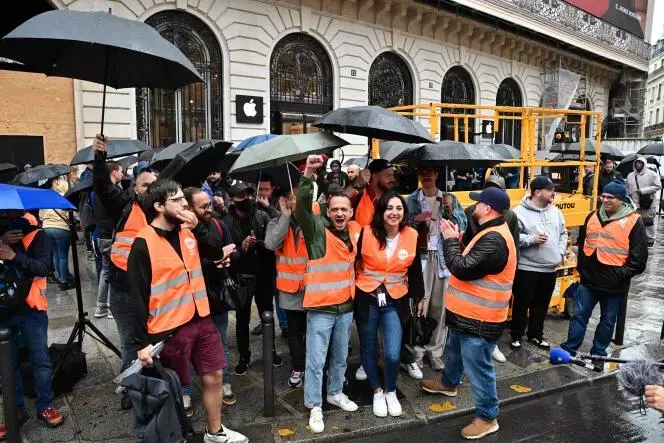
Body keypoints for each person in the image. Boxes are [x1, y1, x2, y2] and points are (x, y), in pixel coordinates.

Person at [128, 179, 247, 443]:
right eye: (177, 200)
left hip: (201, 319)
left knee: (214, 374)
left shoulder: (188, 231)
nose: (184, 204)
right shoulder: (141, 244)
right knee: (173, 389)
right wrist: (142, 344)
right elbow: (137, 298)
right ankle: (173, 435)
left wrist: (199, 229)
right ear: (159, 206)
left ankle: (215, 433)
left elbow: (215, 251)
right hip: (169, 330)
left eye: (184, 198)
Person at [420, 187, 517, 440]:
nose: (474, 207)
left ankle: (487, 417)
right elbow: (473, 261)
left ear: (488, 208)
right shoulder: (489, 232)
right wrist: (460, 242)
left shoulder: (494, 239)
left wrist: (450, 241)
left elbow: (462, 268)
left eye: (478, 204)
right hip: (467, 316)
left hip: (481, 321)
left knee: (479, 368)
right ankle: (448, 383)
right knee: (455, 352)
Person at [296, 155, 360, 434]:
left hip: (345, 308)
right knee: (315, 360)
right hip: (322, 309)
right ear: (327, 211)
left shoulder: (355, 232)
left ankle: (334, 392)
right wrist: (308, 173)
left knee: (340, 357)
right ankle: (314, 404)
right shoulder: (316, 231)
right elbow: (300, 209)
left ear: (351, 212)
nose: (339, 214)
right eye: (334, 209)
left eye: (344, 209)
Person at [92, 135, 158, 396]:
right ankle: (131, 390)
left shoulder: (164, 212)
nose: (151, 189)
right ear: (136, 189)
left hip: (154, 290)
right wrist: (100, 158)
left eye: (155, 185)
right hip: (124, 290)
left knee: (154, 341)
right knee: (131, 344)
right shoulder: (126, 205)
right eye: (146, 185)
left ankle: (153, 384)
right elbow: (103, 188)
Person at [561, 180, 647, 371]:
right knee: (578, 316)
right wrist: (582, 267)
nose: (605, 200)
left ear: (621, 200)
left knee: (607, 322)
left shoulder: (634, 221)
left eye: (610, 197)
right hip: (589, 280)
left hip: (614, 284)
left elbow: (639, 259)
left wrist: (620, 274)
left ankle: (598, 354)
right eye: (603, 196)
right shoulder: (592, 216)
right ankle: (570, 349)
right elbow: (583, 243)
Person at [355, 190, 423, 417]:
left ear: (404, 212)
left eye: (398, 208)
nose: (394, 213)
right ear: (381, 212)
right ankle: (377, 390)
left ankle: (391, 390)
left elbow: (414, 270)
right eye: (389, 208)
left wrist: (419, 296)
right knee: (368, 347)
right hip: (367, 298)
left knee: (393, 353)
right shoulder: (366, 233)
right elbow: (354, 262)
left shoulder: (412, 234)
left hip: (395, 300)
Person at [0, 210, 63, 439]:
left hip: (31, 309)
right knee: (7, 365)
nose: (8, 217)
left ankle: (44, 404)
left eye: (11, 213)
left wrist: (13, 255)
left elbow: (44, 267)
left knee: (41, 360)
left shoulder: (37, 235)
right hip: (3, 311)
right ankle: (13, 410)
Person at [406, 167, 467, 373]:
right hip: (420, 257)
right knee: (418, 307)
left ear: (436, 175)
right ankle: (416, 351)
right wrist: (416, 220)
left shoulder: (449, 198)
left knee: (439, 308)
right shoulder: (411, 200)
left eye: (429, 174)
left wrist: (451, 211)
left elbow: (463, 225)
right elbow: (401, 226)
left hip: (442, 258)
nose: (426, 177)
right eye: (423, 174)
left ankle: (435, 352)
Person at [184, 187, 238, 408]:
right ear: (189, 208)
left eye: (209, 204)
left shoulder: (218, 224)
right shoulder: (180, 232)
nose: (209, 209)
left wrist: (229, 257)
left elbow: (232, 249)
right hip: (189, 299)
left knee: (220, 342)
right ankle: (185, 391)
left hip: (215, 296)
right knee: (186, 347)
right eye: (203, 206)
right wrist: (215, 259)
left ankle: (224, 382)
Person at [222, 182, 282, 375]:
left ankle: (270, 350)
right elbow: (228, 251)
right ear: (233, 199)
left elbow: (279, 230)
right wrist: (242, 248)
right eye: (241, 196)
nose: (247, 199)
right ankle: (244, 355)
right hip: (242, 277)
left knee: (267, 315)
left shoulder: (262, 214)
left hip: (264, 274)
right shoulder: (226, 222)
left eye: (249, 194)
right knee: (242, 319)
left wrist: (258, 243)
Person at [462, 175, 518, 364]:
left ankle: (490, 348)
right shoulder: (471, 211)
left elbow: (513, 246)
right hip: (473, 272)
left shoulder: (508, 217)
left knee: (487, 324)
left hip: (492, 277)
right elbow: (468, 238)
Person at [511, 176, 567, 350]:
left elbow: (564, 234)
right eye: (550, 190)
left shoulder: (556, 211)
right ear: (537, 192)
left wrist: (560, 252)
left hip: (549, 268)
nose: (553, 193)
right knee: (521, 304)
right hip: (526, 268)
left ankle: (536, 335)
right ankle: (516, 335)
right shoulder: (518, 212)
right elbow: (512, 237)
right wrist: (531, 239)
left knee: (542, 305)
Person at [265, 188, 308, 389]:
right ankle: (298, 366)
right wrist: (285, 216)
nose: (295, 201)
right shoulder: (276, 222)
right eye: (291, 197)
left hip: (313, 289)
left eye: (298, 197)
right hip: (290, 292)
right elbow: (271, 243)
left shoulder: (313, 221)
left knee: (318, 331)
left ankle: (320, 366)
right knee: (294, 333)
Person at [92, 157, 126, 318]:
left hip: (101, 235)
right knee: (114, 270)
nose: (123, 173)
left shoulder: (96, 192)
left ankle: (101, 307)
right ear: (114, 172)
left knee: (106, 271)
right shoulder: (110, 192)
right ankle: (111, 307)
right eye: (121, 171)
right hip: (110, 235)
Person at [40, 176, 74, 291]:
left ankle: (60, 278)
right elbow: (70, 216)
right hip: (61, 229)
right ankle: (64, 281)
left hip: (47, 228)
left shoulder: (44, 198)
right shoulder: (64, 198)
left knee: (55, 255)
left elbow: (40, 216)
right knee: (63, 256)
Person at [348, 159, 396, 226]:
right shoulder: (359, 195)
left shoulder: (395, 198)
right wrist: (356, 183)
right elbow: (338, 201)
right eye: (388, 175)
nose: (393, 179)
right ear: (374, 176)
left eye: (393, 175)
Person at [626, 157, 661, 247]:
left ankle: (650, 240)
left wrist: (643, 190)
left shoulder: (652, 174)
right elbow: (627, 187)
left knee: (648, 221)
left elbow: (658, 186)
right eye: (637, 163)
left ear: (644, 164)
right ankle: (636, 238)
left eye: (640, 163)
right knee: (635, 221)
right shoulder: (630, 175)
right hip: (633, 203)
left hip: (647, 203)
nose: (638, 164)